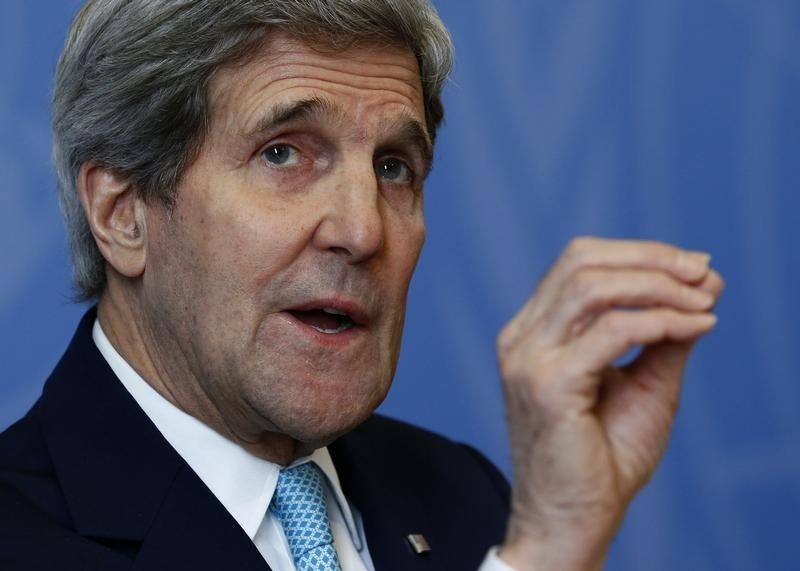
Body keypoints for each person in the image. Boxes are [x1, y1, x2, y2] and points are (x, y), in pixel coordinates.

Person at [0, 1, 723, 570]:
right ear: (121, 213)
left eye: (392, 167)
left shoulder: (465, 493)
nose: (363, 229)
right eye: (283, 153)